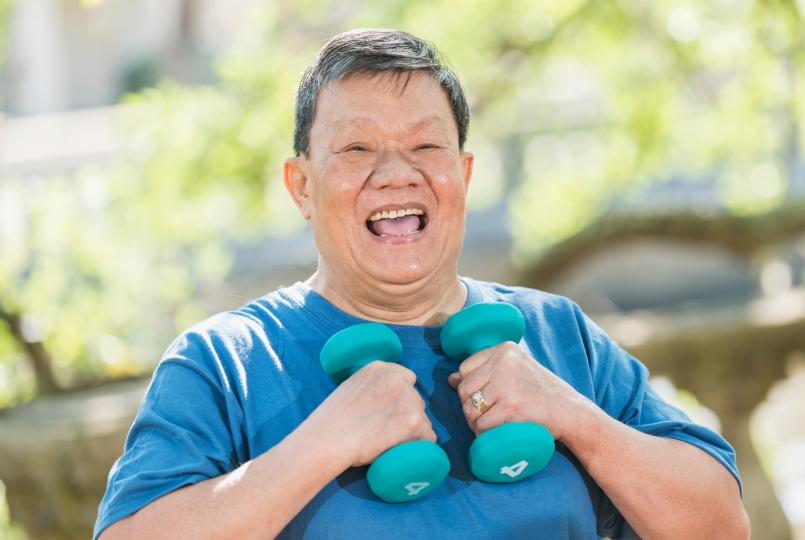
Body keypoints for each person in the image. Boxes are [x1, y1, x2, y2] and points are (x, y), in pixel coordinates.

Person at [95, 28, 750, 539]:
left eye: (426, 148)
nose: (396, 173)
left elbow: (721, 526)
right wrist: (322, 445)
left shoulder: (557, 335)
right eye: (356, 150)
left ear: (463, 173)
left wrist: (573, 417)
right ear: (301, 185)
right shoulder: (226, 361)